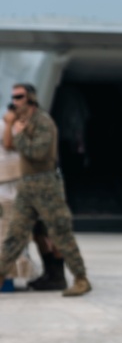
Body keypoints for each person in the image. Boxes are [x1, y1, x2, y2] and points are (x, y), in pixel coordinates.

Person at [0, 83, 91, 296]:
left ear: (31, 98)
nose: (15, 101)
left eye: (19, 97)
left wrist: (20, 134)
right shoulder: (23, 122)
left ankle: (80, 278)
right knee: (15, 235)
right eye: (13, 97)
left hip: (46, 184)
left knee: (60, 232)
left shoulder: (44, 122)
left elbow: (37, 153)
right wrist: (11, 125)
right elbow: (8, 146)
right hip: (27, 185)